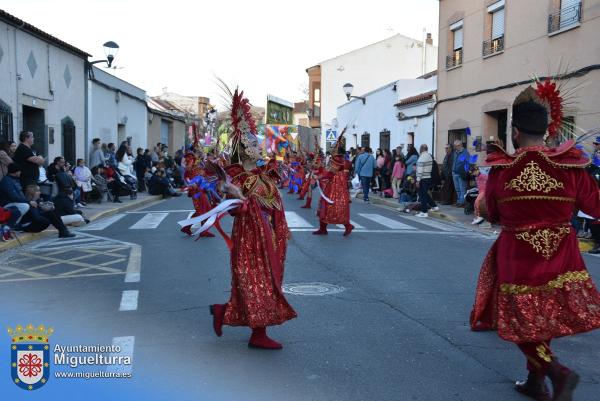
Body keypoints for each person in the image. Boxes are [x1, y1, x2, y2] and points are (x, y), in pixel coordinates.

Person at [470, 86, 600, 401]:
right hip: (562, 250)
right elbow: (595, 206)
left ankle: (556, 372)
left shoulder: (503, 169)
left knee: (517, 317)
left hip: (518, 252)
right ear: (546, 130)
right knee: (543, 315)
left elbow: (494, 213)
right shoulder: (571, 165)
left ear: (515, 132)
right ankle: (535, 382)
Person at [198, 88, 296, 350]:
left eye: (258, 142)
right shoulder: (238, 178)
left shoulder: (264, 173)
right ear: (243, 150)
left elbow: (275, 201)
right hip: (251, 236)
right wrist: (237, 196)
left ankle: (225, 312)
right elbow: (233, 208)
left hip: (270, 235)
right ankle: (257, 333)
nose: (258, 146)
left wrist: (279, 228)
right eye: (253, 144)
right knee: (257, 281)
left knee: (262, 281)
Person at [312, 151, 354, 237]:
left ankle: (348, 226)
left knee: (336, 209)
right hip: (331, 189)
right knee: (324, 206)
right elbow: (327, 172)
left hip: (336, 192)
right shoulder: (338, 165)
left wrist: (318, 177)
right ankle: (322, 228)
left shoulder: (337, 165)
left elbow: (329, 174)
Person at [415, 144, 438, 218]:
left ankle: (424, 212)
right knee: (425, 194)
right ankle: (434, 206)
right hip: (428, 177)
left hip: (423, 178)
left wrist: (418, 180)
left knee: (422, 195)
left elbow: (420, 170)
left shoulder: (422, 157)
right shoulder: (429, 156)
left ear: (422, 149)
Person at [452, 139, 470, 207]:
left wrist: (465, 171)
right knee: (457, 189)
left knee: (462, 189)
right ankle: (459, 201)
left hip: (461, 173)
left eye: (458, 145)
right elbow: (454, 162)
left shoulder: (465, 152)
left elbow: (468, 163)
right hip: (454, 173)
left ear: (461, 145)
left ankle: (462, 202)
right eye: (455, 146)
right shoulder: (455, 152)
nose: (456, 147)